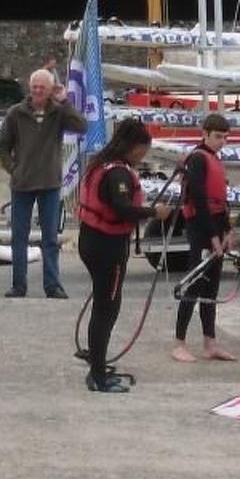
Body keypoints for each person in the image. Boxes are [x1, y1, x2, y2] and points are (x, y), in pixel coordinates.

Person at [0, 65, 87, 299]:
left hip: (50, 184)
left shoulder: (59, 113)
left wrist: (65, 101)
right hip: (22, 184)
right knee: (19, 237)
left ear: (50, 90)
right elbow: (2, 146)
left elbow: (81, 126)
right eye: (35, 86)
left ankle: (52, 285)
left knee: (50, 239)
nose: (37, 91)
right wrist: (13, 169)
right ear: (29, 86)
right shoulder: (15, 113)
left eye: (42, 88)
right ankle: (19, 285)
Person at [75, 117, 152, 393]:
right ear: (133, 147)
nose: (143, 156)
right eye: (143, 150)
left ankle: (97, 364)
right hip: (107, 246)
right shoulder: (117, 173)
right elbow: (122, 208)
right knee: (107, 308)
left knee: (104, 305)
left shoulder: (102, 163)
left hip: (92, 240)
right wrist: (154, 213)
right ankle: (97, 375)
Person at [170, 113, 238, 363]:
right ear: (205, 133)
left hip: (215, 226)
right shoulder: (198, 159)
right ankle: (179, 342)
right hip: (200, 228)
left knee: (211, 287)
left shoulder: (214, 160)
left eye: (225, 137)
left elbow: (222, 200)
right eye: (218, 136)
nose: (222, 141)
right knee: (194, 284)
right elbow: (198, 198)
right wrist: (212, 236)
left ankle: (210, 342)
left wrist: (227, 231)